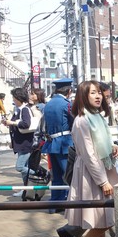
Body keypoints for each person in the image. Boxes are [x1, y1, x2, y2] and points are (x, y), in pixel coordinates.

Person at [66, 80, 118, 237]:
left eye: (99, 92)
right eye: (93, 93)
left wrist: (113, 147)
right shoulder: (82, 121)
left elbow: (103, 142)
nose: (98, 96)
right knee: (106, 219)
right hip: (93, 174)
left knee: (103, 218)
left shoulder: (97, 117)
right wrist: (103, 181)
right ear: (83, 96)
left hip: (102, 169)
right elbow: (89, 155)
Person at [42, 80, 75, 212]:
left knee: (56, 176)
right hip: (64, 142)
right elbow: (75, 121)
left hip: (51, 143)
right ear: (69, 91)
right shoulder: (67, 105)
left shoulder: (48, 104)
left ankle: (55, 204)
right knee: (69, 175)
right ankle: (71, 205)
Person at [3, 88, 35, 194]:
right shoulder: (19, 109)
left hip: (25, 143)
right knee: (23, 168)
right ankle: (26, 189)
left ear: (19, 98)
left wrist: (12, 123)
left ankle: (37, 175)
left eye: (14, 98)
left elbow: (26, 124)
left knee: (20, 167)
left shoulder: (24, 109)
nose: (13, 100)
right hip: (21, 142)